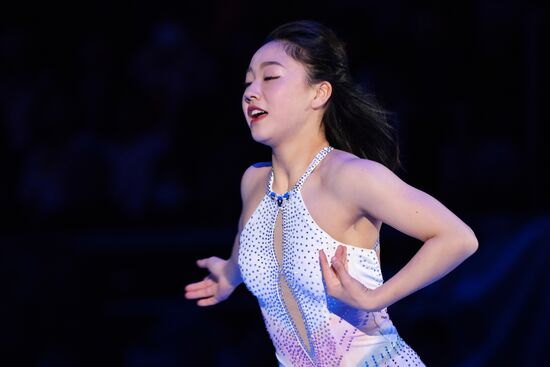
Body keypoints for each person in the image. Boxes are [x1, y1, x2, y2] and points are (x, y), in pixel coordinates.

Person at [185, 20, 478, 367]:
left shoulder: (350, 177)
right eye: (248, 81)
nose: (251, 91)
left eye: (270, 77)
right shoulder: (253, 182)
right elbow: (254, 247)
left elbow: (458, 238)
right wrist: (229, 275)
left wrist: (375, 297)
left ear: (319, 93)